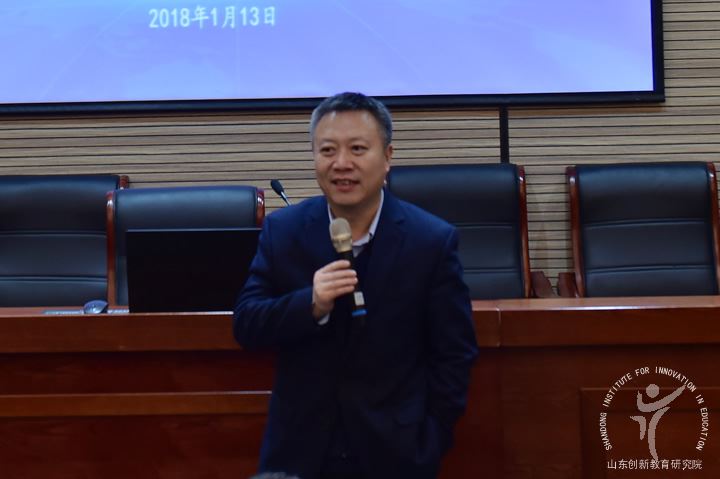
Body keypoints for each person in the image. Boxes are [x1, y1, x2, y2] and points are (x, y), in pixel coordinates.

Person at [234, 92, 478, 479]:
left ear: (388, 156)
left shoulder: (430, 241)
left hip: (396, 452)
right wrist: (310, 304)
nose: (342, 163)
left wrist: (430, 439)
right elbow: (247, 324)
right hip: (300, 451)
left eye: (358, 149)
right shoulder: (284, 231)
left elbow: (454, 354)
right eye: (327, 150)